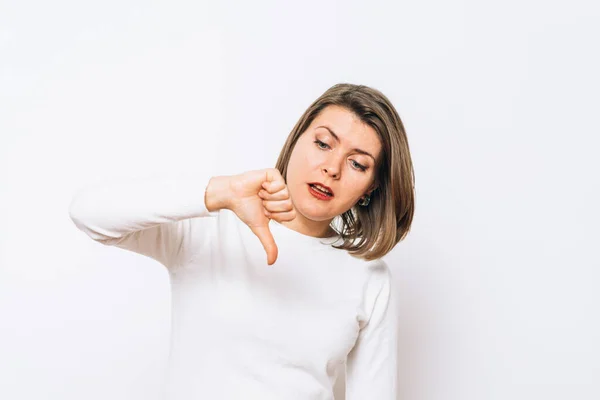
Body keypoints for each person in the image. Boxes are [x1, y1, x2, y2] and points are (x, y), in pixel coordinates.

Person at [68, 83, 415, 400]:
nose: (332, 168)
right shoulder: (211, 229)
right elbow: (90, 214)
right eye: (323, 144)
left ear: (372, 187)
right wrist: (220, 192)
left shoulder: (369, 278)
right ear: (296, 141)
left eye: (357, 163)